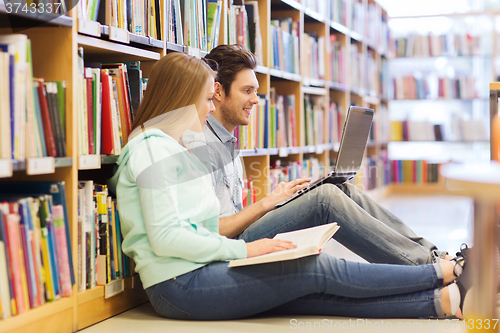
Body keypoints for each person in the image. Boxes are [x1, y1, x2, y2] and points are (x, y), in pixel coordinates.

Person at [108, 52, 470, 321]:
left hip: (196, 269)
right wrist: (248, 251)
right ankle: (443, 271)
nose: (208, 108)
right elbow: (168, 238)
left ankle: (444, 301)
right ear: (182, 97)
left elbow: (195, 227)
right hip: (179, 284)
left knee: (302, 287)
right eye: (206, 98)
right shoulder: (151, 147)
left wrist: (265, 218)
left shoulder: (173, 148)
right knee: (314, 270)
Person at [187, 44, 456, 266]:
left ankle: (436, 256)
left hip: (242, 235)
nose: (256, 100)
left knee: (341, 190)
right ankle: (428, 269)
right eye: (247, 91)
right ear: (219, 91)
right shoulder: (200, 145)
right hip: (229, 251)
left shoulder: (228, 141)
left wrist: (280, 202)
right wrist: (266, 204)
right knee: (325, 199)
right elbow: (213, 231)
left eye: (256, 91)